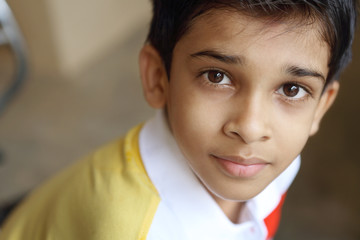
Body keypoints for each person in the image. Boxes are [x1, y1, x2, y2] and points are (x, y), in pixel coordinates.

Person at [0, 1, 357, 239]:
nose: (251, 128)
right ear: (158, 77)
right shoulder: (130, 228)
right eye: (216, 76)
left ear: (320, 108)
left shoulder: (277, 162)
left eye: (292, 90)